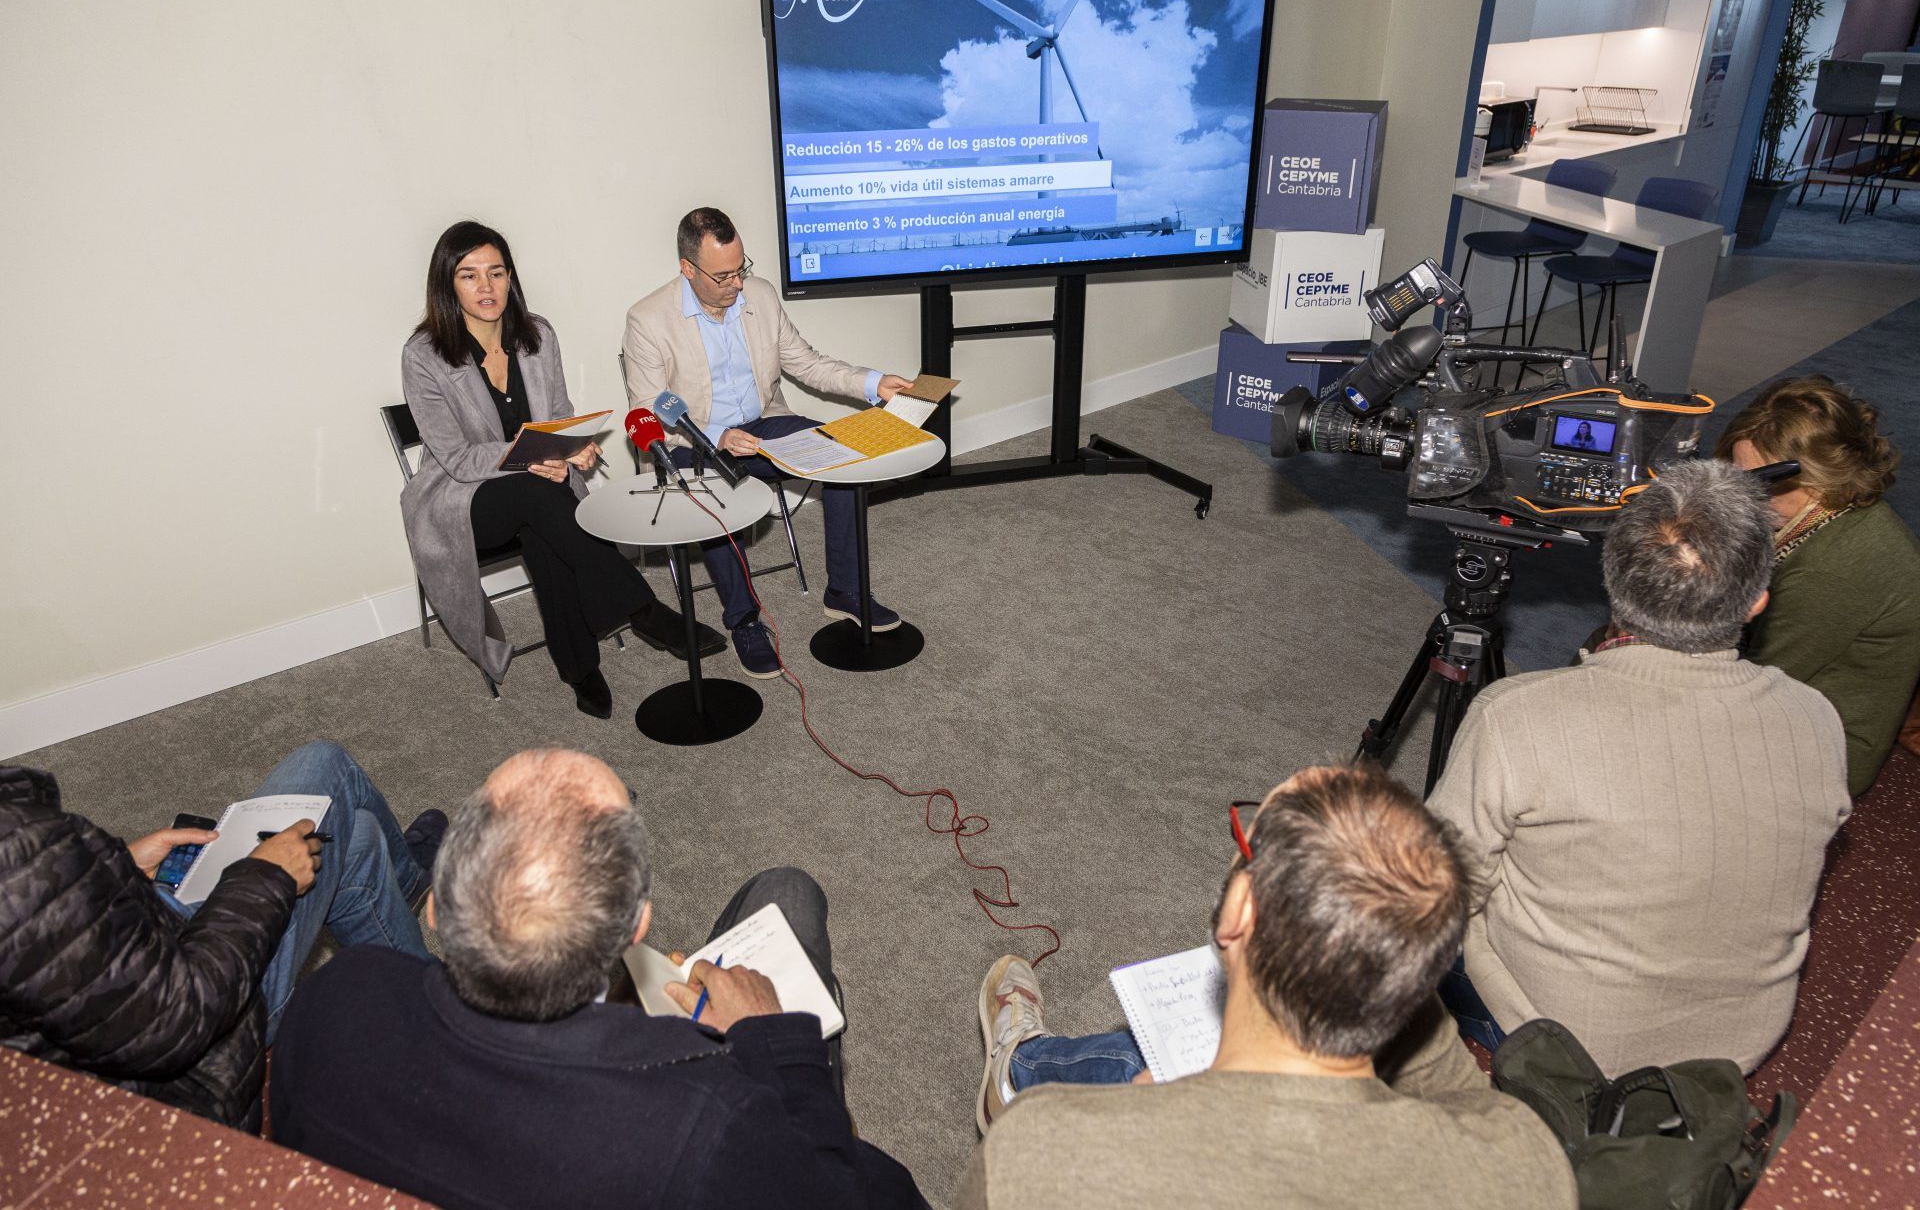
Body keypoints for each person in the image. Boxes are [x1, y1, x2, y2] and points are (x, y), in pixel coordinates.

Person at [271, 747, 925, 1210]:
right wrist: (778, 1046)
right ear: (637, 928)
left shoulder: (336, 997)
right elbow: (870, 1196)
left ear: (437, 909)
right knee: (789, 894)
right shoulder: (708, 1124)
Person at [961, 765, 1575, 1210]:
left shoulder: (1042, 1152)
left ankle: (1019, 1067)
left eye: (1248, 834)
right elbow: (1458, 1090)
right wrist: (1388, 957)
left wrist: (1138, 1118)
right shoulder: (1526, 1163)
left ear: (1240, 913)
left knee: (1128, 1064)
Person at [1429, 460, 1852, 1076]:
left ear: (1613, 581)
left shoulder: (1516, 716)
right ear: (1757, 602)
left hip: (1562, 1038)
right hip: (1737, 1044)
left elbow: (1437, 888)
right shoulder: (1816, 717)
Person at [0, 740, 441, 1129]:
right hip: (207, 1049)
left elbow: (46, 936)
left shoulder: (17, 858)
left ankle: (422, 984)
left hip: (149, 952)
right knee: (329, 769)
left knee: (354, 841)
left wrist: (115, 869)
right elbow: (174, 1020)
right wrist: (266, 877)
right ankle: (415, 917)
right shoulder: (14, 862)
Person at [401, 220, 721, 719]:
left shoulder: (537, 336)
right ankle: (644, 610)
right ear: (448, 283)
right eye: (469, 275)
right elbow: (459, 459)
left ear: (510, 277)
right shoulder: (424, 356)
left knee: (542, 522)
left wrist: (573, 449)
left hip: (540, 491)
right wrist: (537, 459)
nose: (486, 287)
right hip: (463, 498)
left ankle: (578, 668)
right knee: (538, 497)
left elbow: (559, 417)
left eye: (496, 272)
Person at [621, 208, 915, 679]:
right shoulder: (648, 319)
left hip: (762, 424)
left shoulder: (758, 295)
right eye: (723, 276)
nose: (737, 283)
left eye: (741, 268)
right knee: (715, 497)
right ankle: (744, 621)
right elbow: (649, 407)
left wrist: (873, 382)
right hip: (692, 442)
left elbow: (807, 363)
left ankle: (844, 591)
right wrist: (716, 436)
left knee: (841, 457)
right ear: (687, 268)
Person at [1717, 374, 1920, 796]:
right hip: (1793, 699)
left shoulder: (1834, 570)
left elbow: (1754, 686)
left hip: (1818, 750)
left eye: (1759, 482)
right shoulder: (1831, 519)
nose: (1739, 496)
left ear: (1819, 479)